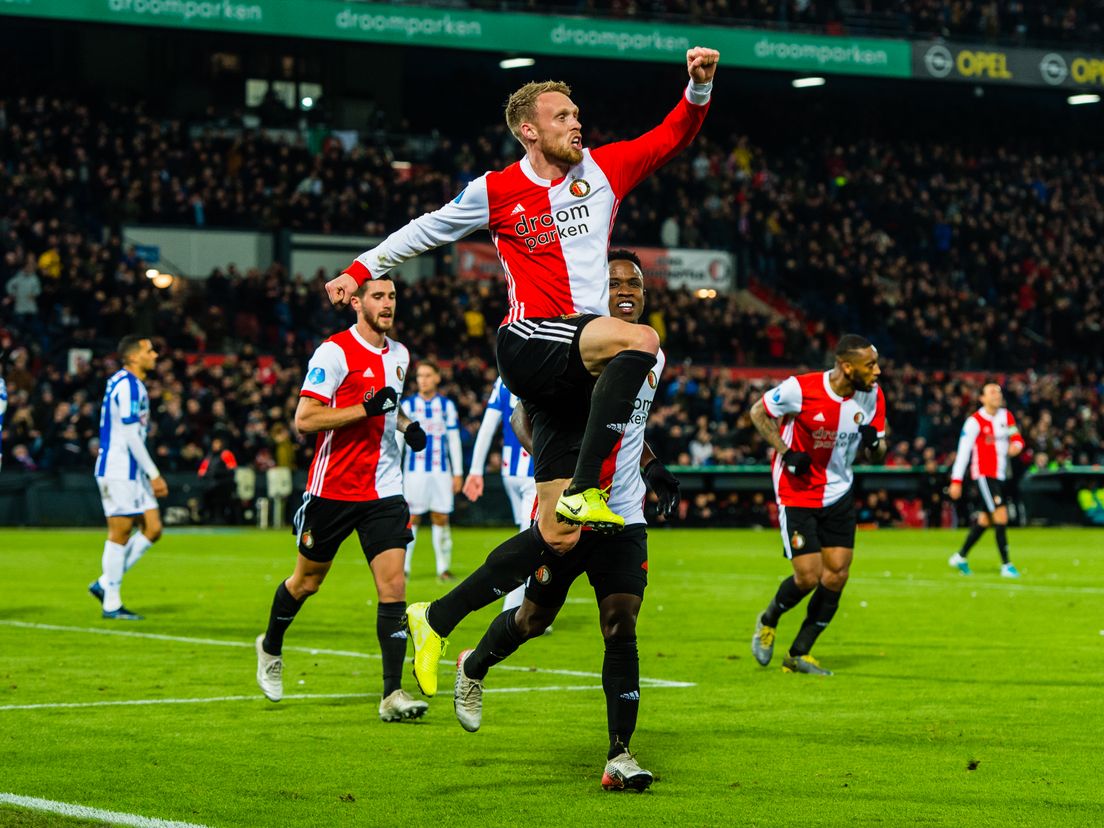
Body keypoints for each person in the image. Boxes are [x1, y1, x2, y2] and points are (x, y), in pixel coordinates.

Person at [325, 47, 718, 541]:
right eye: (563, 116)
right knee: (643, 340)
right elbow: (424, 230)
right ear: (529, 131)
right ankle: (583, 487)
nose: (578, 123)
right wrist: (358, 269)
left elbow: (670, 138)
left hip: (587, 354)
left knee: (556, 535)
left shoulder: (604, 169)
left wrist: (698, 86)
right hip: (537, 339)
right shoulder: (496, 190)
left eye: (577, 114)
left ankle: (441, 615)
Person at [449, 251, 680, 791]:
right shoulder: (573, 347)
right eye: (614, 281)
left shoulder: (650, 352)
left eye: (635, 283)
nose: (626, 289)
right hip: (570, 512)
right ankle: (474, 665)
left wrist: (651, 465)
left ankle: (619, 755)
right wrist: (560, 468)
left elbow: (626, 420)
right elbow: (526, 418)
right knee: (531, 621)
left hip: (622, 514)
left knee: (621, 623)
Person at [254, 277, 430, 723]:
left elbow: (389, 407)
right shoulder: (333, 353)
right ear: (356, 302)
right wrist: (364, 411)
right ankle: (271, 646)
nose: (387, 303)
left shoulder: (401, 355)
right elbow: (305, 419)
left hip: (384, 489)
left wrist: (405, 425)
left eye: (392, 295)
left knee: (394, 588)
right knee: (306, 583)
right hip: (332, 490)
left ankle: (393, 694)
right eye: (378, 296)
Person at [748, 335, 887, 676]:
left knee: (837, 573)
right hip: (797, 492)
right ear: (846, 366)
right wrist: (785, 451)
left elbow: (879, 451)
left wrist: (875, 445)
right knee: (808, 577)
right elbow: (758, 412)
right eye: (870, 365)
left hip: (839, 491)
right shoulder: (801, 389)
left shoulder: (872, 396)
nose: (877, 371)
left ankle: (799, 653)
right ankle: (768, 620)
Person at [88, 336, 169, 620]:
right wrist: (154, 474)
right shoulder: (128, 385)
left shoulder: (127, 383)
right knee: (120, 532)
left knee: (153, 528)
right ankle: (111, 602)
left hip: (131, 469)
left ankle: (103, 582)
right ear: (134, 357)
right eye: (150, 351)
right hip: (119, 468)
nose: (155, 355)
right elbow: (131, 434)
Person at [463, 374, 536, 613]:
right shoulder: (548, 366)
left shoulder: (504, 377)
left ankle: (533, 608)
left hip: (510, 472)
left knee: (534, 540)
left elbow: (487, 426)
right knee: (531, 544)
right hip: (535, 472)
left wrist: (475, 470)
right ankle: (513, 613)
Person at [947, 383, 1025, 577]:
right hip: (984, 474)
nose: (996, 395)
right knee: (1001, 515)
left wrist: (1017, 446)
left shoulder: (1006, 416)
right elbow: (963, 452)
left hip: (1001, 475)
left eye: (998, 391)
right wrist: (956, 480)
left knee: (985, 520)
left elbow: (1017, 438)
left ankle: (960, 556)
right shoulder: (974, 422)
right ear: (982, 398)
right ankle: (1006, 565)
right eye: (992, 392)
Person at [400, 361, 463, 581]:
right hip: (413, 471)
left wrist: (458, 473)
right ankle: (404, 568)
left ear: (437, 377)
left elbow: (453, 440)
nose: (423, 380)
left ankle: (443, 569)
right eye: (419, 376)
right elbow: (399, 440)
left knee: (441, 517)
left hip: (441, 471)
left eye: (427, 375)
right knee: (412, 517)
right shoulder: (407, 406)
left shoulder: (447, 406)